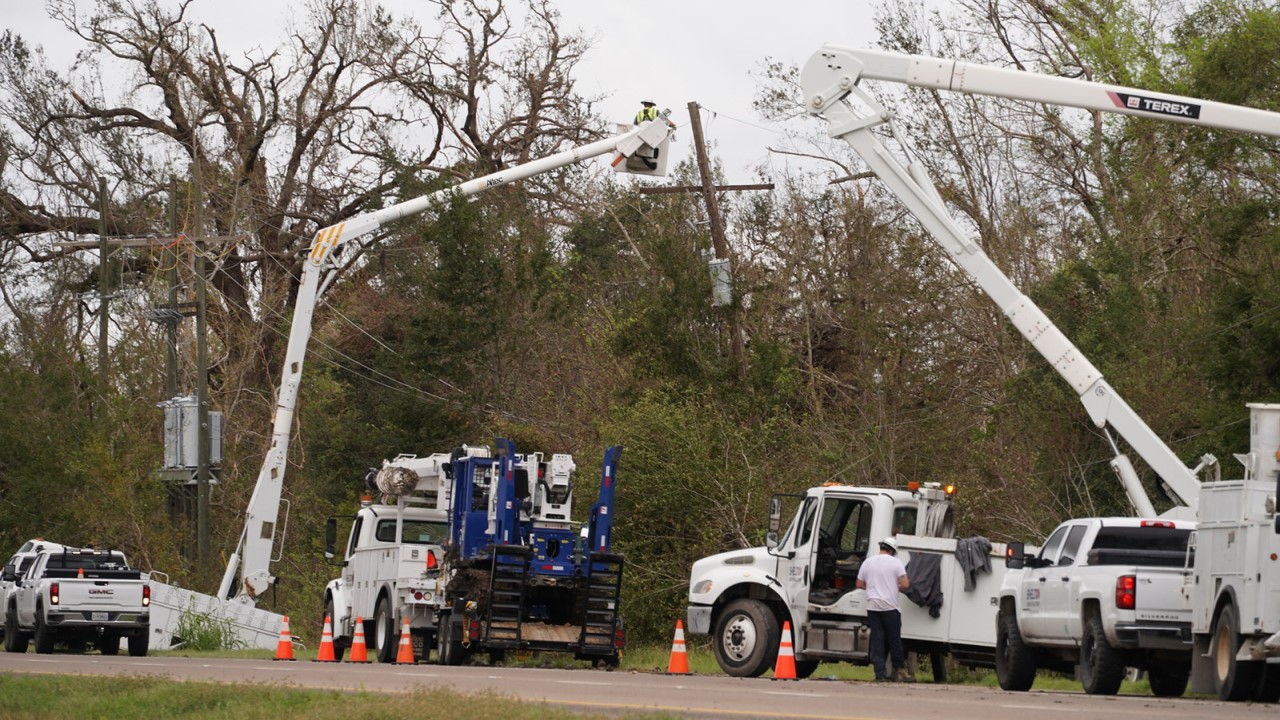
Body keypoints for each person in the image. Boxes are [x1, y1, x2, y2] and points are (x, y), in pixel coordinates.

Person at [856, 535, 914, 682]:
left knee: (877, 640)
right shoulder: (896, 563)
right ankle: (898, 672)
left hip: (873, 607)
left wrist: (873, 586)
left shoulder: (867, 562)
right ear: (893, 551)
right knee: (894, 640)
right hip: (890, 607)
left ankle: (879, 674)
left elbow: (859, 584)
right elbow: (906, 585)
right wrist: (894, 586)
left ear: (881, 548)